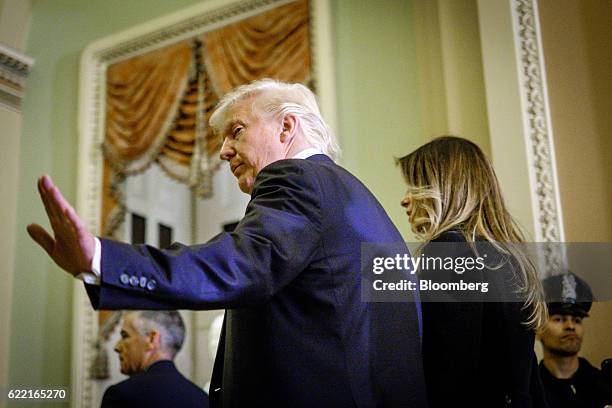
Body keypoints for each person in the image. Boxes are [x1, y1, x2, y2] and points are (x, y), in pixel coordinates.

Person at [28, 79, 426, 407]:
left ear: (287, 127)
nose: (223, 152)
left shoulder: (297, 179)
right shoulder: (361, 201)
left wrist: (101, 259)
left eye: (237, 131)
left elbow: (236, 264)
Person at [397, 135, 549, 407]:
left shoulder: (448, 250)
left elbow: (448, 374)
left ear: (444, 188)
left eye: (415, 186)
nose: (405, 200)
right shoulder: (512, 258)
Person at [101, 310, 208, 407]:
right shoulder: (203, 399)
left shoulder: (121, 396)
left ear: (152, 339)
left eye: (125, 336)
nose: (117, 347)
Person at [538, 272, 612, 408]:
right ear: (538, 330)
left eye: (577, 319)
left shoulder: (604, 385)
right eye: (559, 319)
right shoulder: (531, 393)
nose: (570, 326)